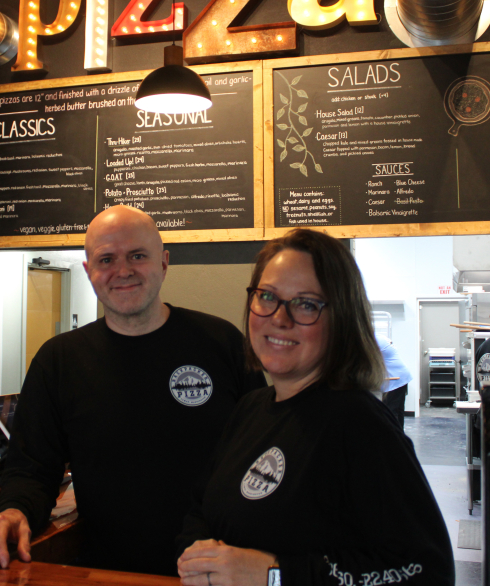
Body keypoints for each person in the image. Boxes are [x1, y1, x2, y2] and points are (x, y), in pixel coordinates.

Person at [0, 205, 265, 576]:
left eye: (137, 255)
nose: (123, 270)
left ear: (163, 263)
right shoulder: (59, 361)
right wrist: (13, 511)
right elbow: (32, 469)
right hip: (107, 572)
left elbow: (261, 453)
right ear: (88, 271)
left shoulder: (222, 342)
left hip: (218, 571)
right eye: (106, 259)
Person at [176, 228, 454, 586]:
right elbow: (202, 508)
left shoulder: (359, 425)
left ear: (341, 319)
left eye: (306, 304)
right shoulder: (251, 408)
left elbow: (426, 571)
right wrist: (197, 555)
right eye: (267, 296)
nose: (279, 317)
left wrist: (275, 575)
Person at [377, 334, 412, 429]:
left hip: (395, 379)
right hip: (400, 376)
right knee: (398, 410)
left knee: (390, 411)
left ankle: (393, 438)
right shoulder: (380, 338)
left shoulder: (374, 341)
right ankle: (400, 437)